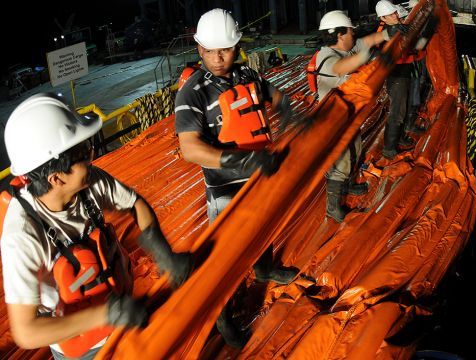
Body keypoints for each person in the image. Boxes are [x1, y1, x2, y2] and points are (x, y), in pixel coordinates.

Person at [0, 93, 192, 359]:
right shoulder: (22, 236)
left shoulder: (90, 182)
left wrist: (164, 254)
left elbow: (135, 204)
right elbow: (26, 331)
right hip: (84, 348)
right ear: (56, 178)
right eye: (83, 154)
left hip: (124, 315)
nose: (92, 156)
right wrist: (107, 314)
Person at [174, 8, 298, 347]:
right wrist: (238, 161)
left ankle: (265, 268)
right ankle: (223, 316)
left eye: (225, 49)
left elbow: (273, 96)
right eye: (211, 50)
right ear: (199, 49)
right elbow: (190, 149)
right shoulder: (193, 92)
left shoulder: (246, 75)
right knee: (226, 258)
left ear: (237, 46)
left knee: (264, 226)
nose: (218, 58)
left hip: (258, 174)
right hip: (225, 187)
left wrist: (287, 110)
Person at [314, 10, 400, 222]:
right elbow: (341, 67)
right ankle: (332, 208)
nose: (354, 35)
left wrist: (391, 32)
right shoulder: (326, 57)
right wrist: (372, 59)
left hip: (349, 116)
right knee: (340, 161)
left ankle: (350, 184)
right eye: (351, 31)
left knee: (356, 149)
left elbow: (371, 39)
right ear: (341, 35)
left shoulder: (349, 48)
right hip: (333, 121)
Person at [375, 0, 416, 159]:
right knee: (397, 110)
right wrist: (393, 31)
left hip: (404, 71)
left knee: (403, 107)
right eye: (390, 14)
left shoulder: (397, 27)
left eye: (394, 12)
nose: (395, 15)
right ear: (383, 18)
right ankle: (389, 148)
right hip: (395, 75)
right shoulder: (384, 32)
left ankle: (400, 138)